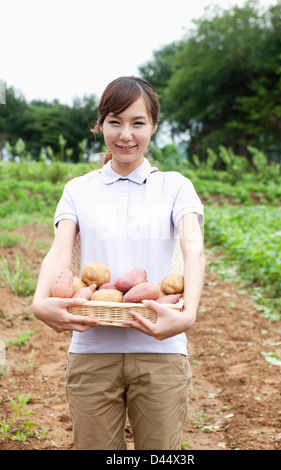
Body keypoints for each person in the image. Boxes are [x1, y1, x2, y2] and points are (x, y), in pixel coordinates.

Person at [32, 76, 206, 450]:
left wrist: (189, 312)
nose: (126, 134)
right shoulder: (78, 189)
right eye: (114, 121)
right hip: (93, 348)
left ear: (154, 126)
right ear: (100, 125)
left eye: (137, 122)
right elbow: (60, 250)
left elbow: (193, 247)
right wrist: (38, 300)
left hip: (160, 348)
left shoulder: (175, 186)